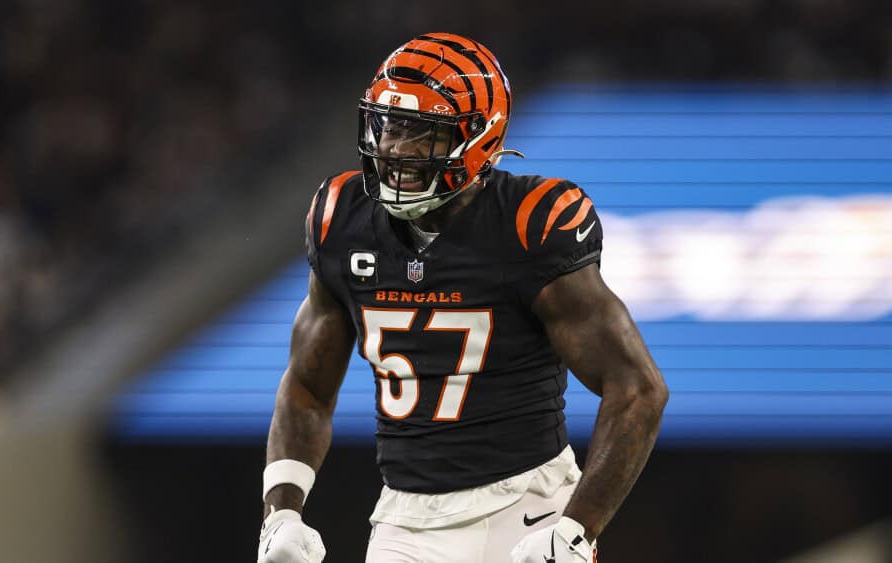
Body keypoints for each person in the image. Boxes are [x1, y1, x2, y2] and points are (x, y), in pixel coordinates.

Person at [257, 32, 668, 563]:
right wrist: (281, 513)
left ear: (477, 139)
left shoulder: (527, 224)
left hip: (527, 502)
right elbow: (307, 388)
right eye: (389, 127)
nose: (395, 151)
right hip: (405, 518)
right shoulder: (342, 218)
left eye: (421, 134)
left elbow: (638, 389)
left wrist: (577, 527)